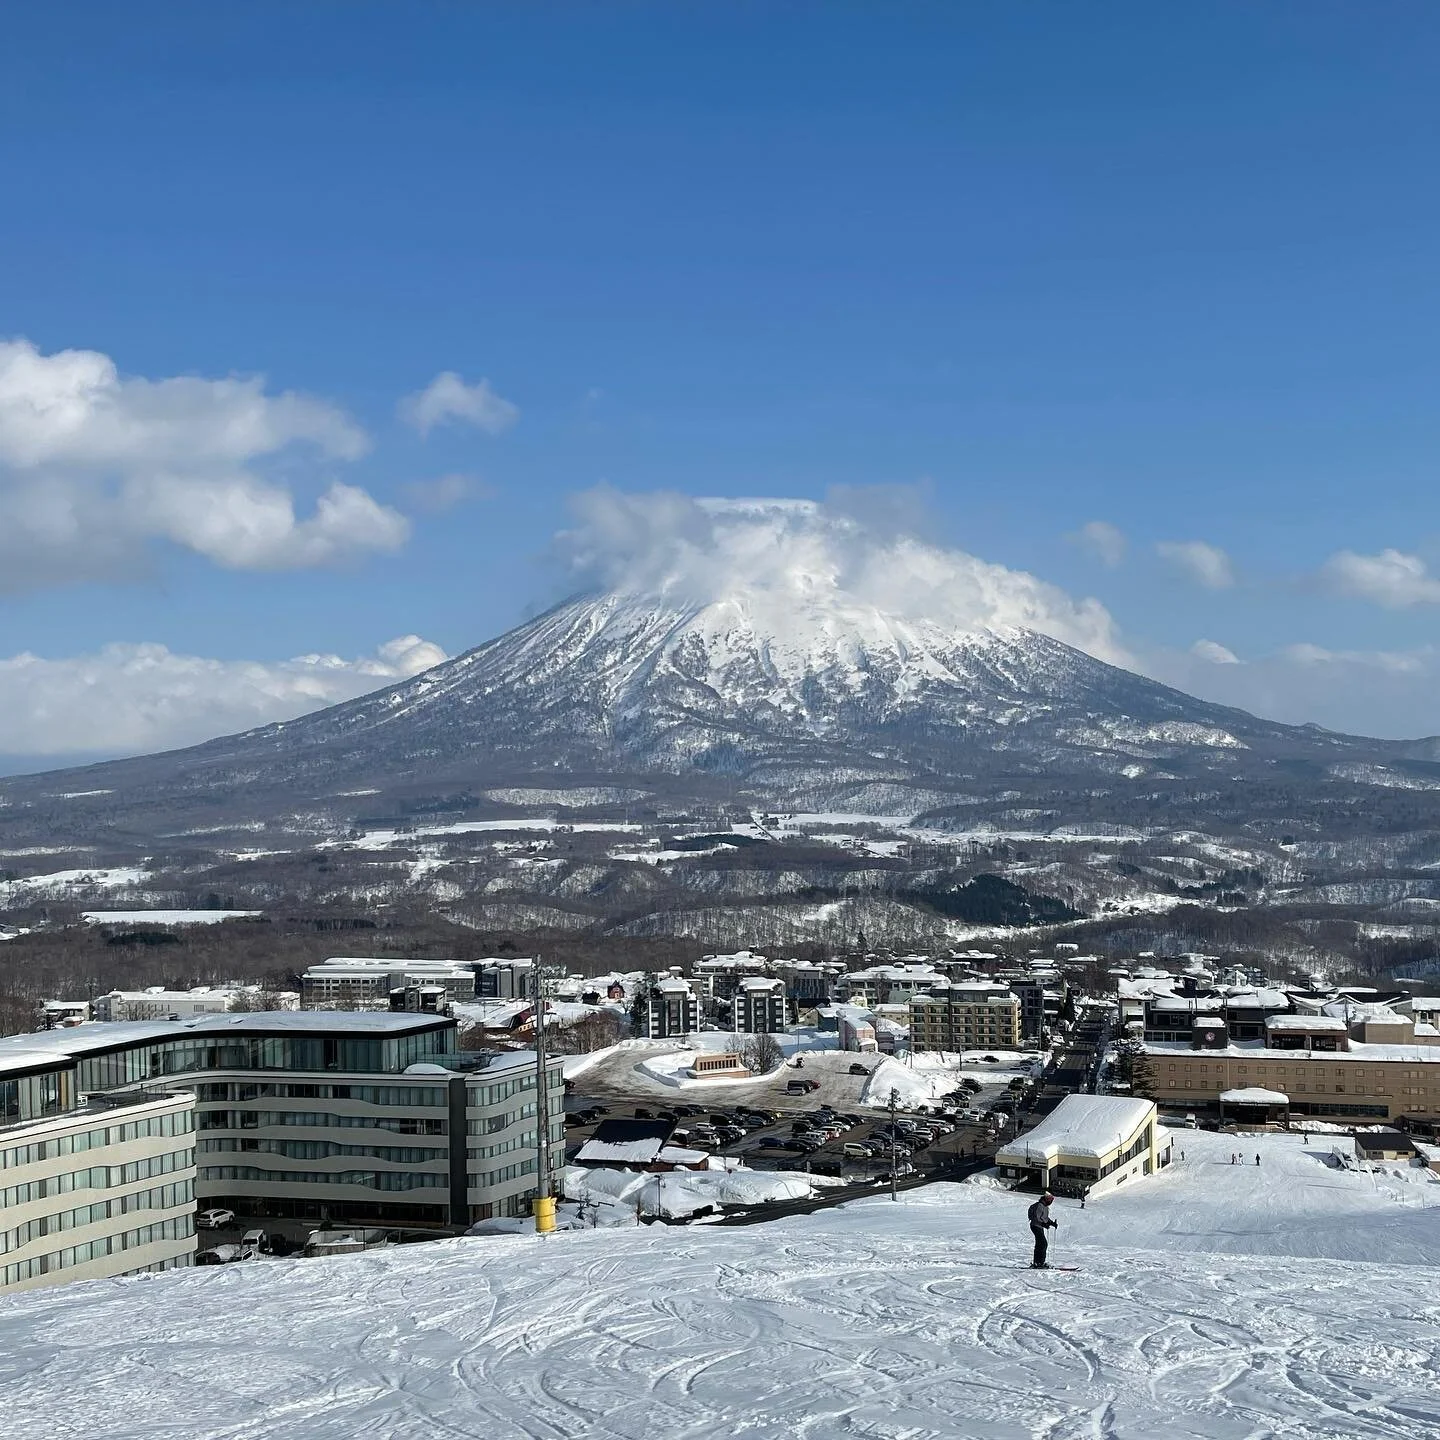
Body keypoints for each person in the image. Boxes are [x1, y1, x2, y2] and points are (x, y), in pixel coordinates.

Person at [1028, 1192, 1057, 1268]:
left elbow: (1045, 1218)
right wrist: (1043, 1224)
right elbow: (1037, 1217)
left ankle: (1038, 1263)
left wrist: (1052, 1223)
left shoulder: (1045, 1207)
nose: (1051, 1202)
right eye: (1050, 1200)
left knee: (1040, 1244)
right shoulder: (1039, 1206)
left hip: (1039, 1226)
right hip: (1035, 1226)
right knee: (1043, 1244)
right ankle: (1039, 1263)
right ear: (1047, 1199)